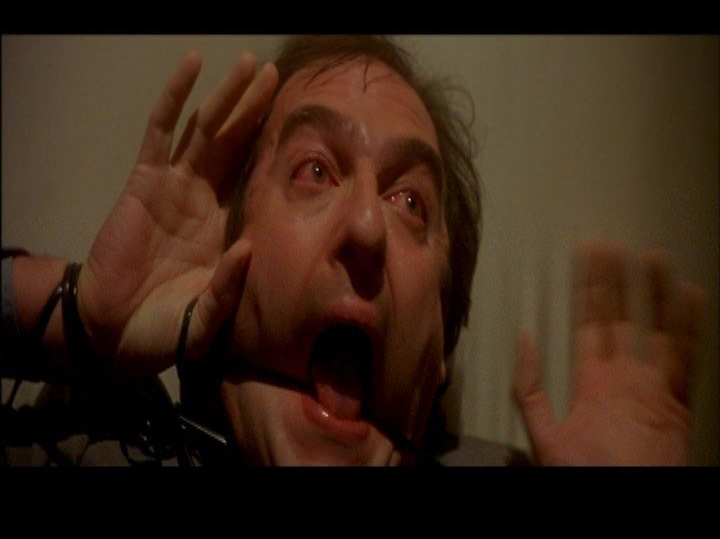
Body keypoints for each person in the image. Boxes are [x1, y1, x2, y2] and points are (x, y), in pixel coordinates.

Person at [1, 35, 708, 466]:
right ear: (219, 271)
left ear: (437, 352)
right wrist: (72, 311)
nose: (368, 226)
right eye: (315, 170)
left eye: (410, 203)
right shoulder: (76, 439)